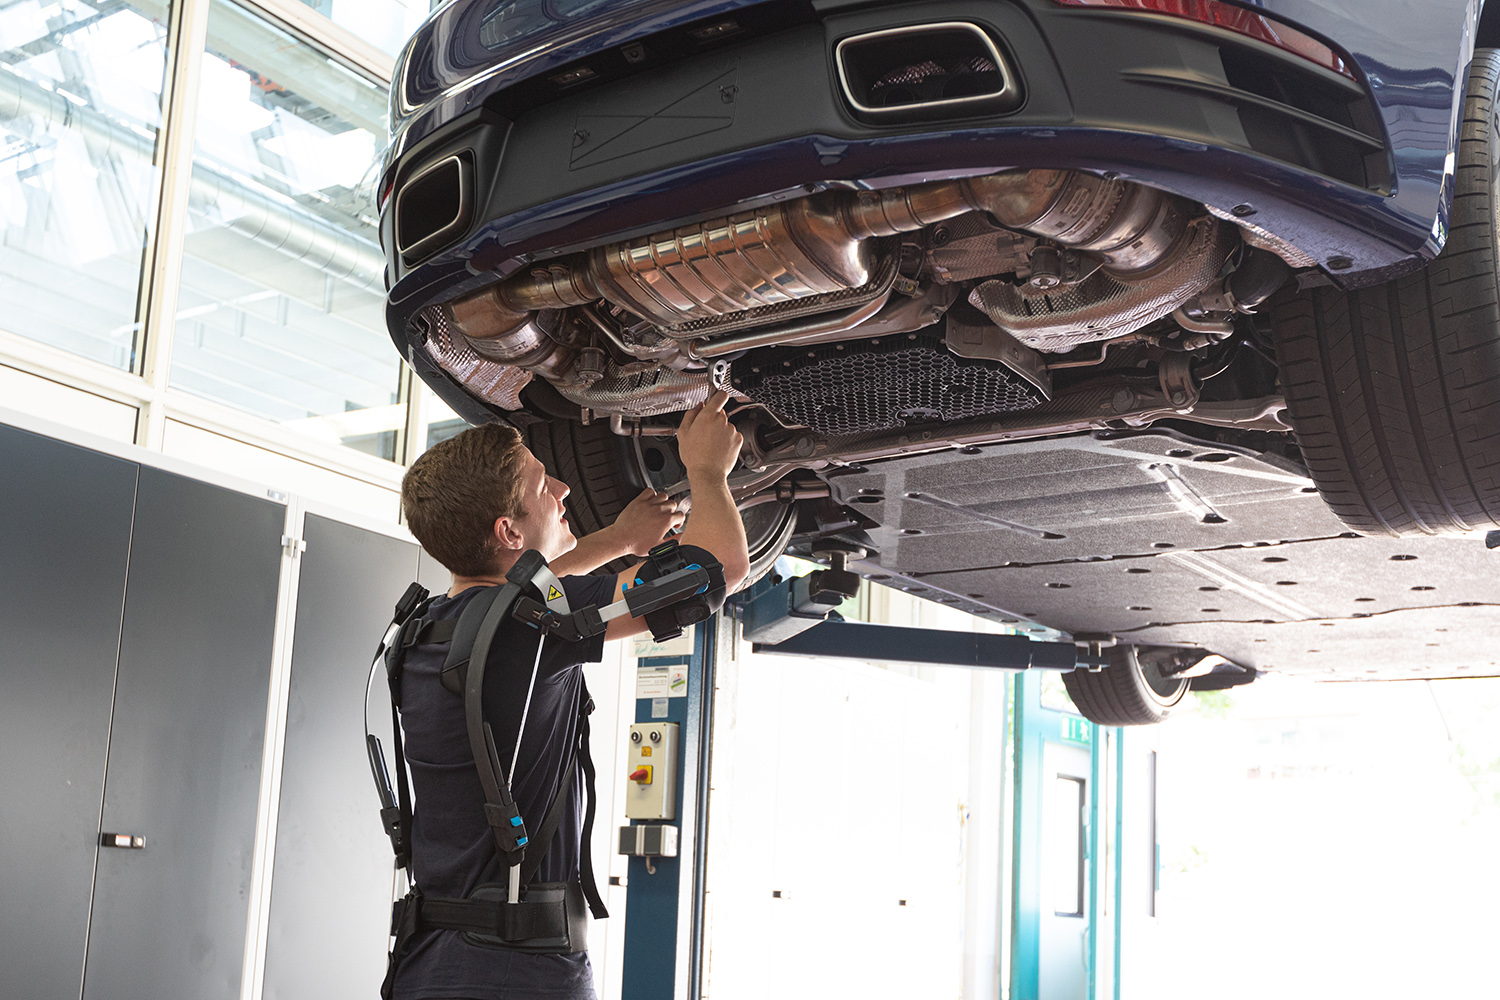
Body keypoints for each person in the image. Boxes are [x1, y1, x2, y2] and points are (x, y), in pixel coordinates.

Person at [388, 390, 750, 1000]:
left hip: (432, 963)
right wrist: (707, 471)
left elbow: (531, 589)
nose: (562, 489)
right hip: (514, 975)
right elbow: (713, 568)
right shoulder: (523, 627)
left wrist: (616, 539)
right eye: (540, 488)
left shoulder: (431, 626)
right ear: (507, 530)